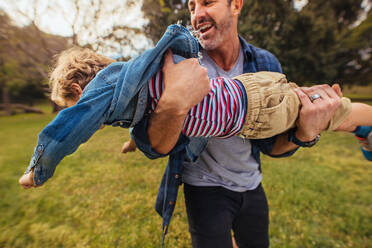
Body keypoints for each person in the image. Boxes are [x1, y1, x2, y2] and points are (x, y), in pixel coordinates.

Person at [129, 0, 366, 247]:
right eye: (191, 7)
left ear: (236, 5)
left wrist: (306, 134)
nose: (197, 14)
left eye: (208, 2)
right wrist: (165, 110)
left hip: (251, 184)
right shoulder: (181, 64)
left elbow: (271, 145)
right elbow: (155, 140)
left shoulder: (265, 63)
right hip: (203, 188)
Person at [18, 46, 372, 189]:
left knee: (334, 114)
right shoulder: (130, 86)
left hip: (254, 108)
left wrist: (39, 169)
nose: (88, 118)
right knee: (307, 102)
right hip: (251, 97)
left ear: (81, 94)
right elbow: (145, 118)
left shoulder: (100, 95)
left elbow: (67, 131)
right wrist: (131, 143)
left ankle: (366, 124)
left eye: (74, 105)